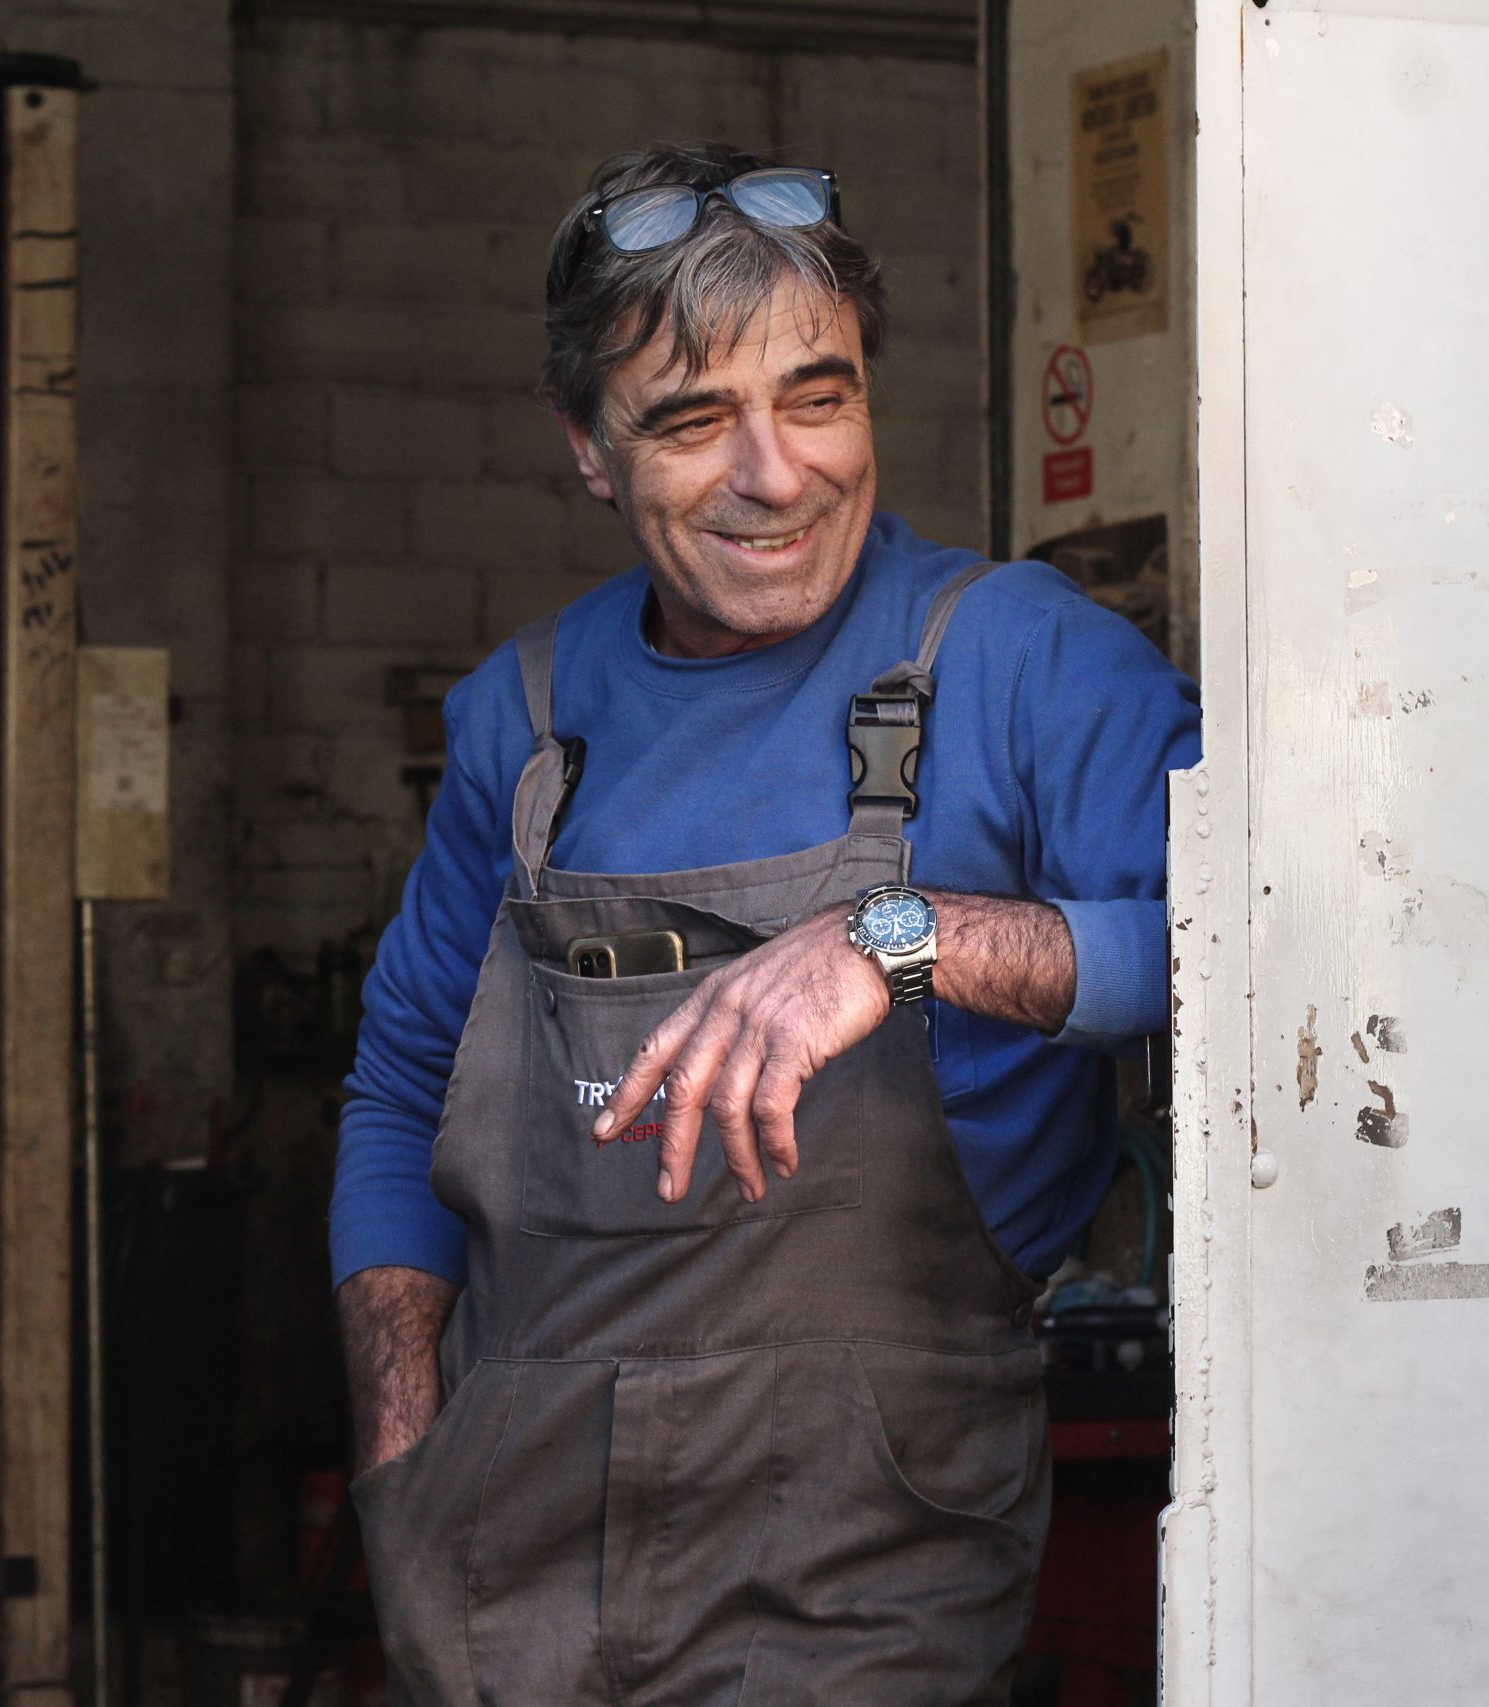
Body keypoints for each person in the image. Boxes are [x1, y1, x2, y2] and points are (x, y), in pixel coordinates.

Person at [328, 141, 1198, 1704]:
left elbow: (1256, 957)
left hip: (862, 1581)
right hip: (501, 1584)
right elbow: (399, 1096)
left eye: (818, 396)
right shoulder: (524, 725)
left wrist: (903, 941)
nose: (777, 473)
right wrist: (401, 1455)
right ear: (589, 447)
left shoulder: (1020, 665)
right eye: (689, 419)